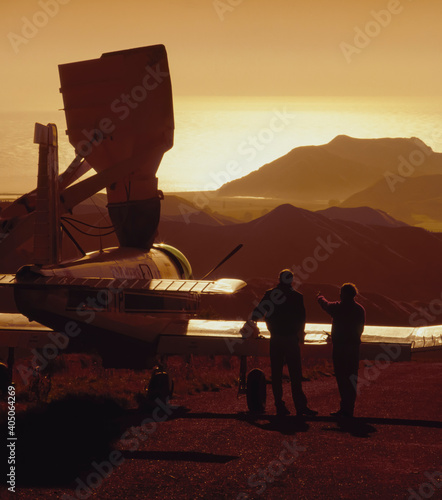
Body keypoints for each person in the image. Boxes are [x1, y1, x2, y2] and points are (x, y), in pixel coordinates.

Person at [251, 269, 318, 417]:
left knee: (276, 374)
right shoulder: (297, 296)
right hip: (291, 339)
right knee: (295, 374)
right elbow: (302, 319)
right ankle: (300, 407)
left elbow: (257, 313)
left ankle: (279, 405)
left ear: (279, 279)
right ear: (291, 280)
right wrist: (301, 337)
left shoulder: (270, 294)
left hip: (275, 338)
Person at [317, 283, 365, 418]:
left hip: (340, 348)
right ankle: (349, 408)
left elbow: (325, 305)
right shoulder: (360, 309)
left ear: (343, 294)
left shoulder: (338, 308)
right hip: (354, 348)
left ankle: (345, 408)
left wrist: (320, 296)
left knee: (342, 378)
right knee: (351, 378)